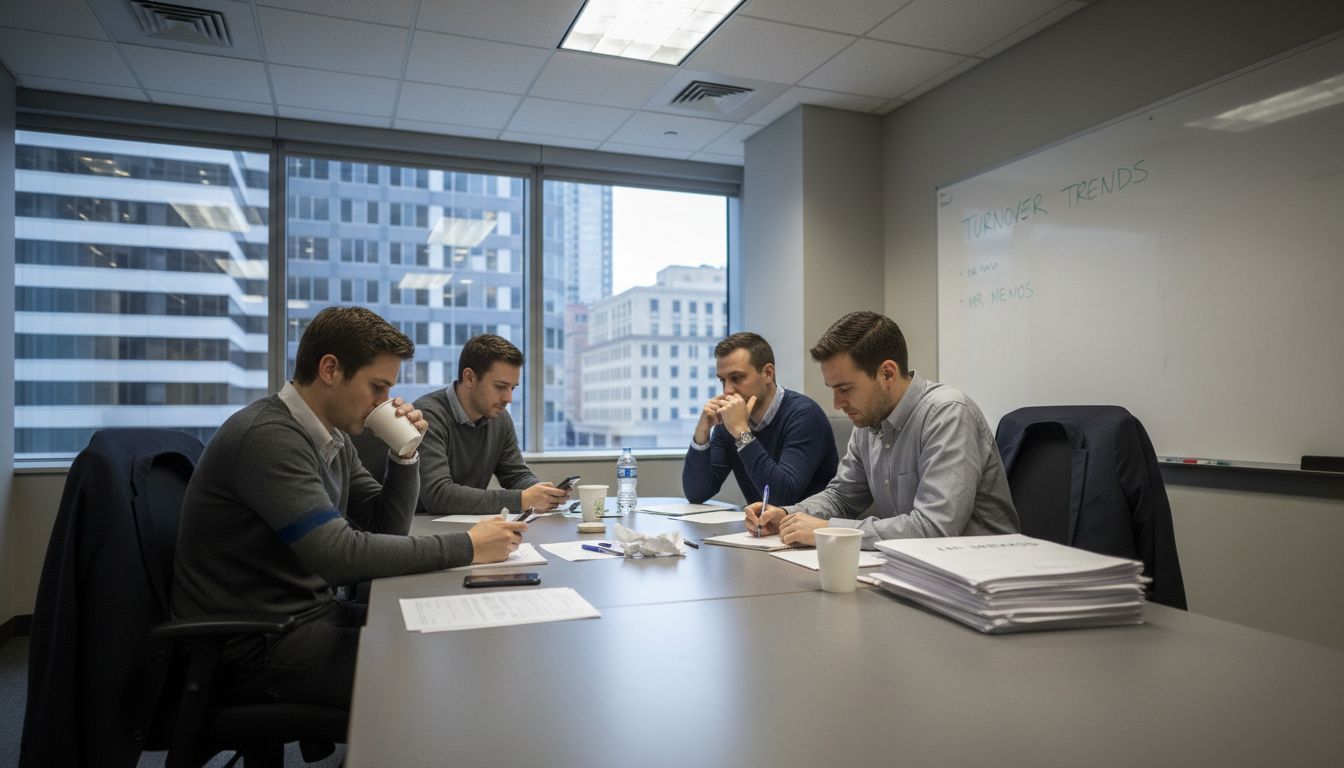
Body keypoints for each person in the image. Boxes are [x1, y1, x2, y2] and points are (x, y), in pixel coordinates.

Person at [171, 307, 526, 709]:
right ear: (330, 369)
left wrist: (406, 455)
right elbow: (339, 556)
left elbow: (385, 529)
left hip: (305, 617)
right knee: (435, 675)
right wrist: (469, 545)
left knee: (451, 635)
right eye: (377, 387)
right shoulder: (269, 438)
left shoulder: (332, 438)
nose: (384, 402)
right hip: (251, 643)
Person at [746, 311, 1018, 548]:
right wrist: (786, 515)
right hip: (920, 570)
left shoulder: (948, 413)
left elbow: (934, 529)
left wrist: (826, 531)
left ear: (887, 373)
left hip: (983, 580)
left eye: (845, 389)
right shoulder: (869, 419)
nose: (838, 404)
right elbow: (842, 498)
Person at [414, 333, 570, 516]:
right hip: (421, 529)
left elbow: (516, 475)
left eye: (513, 388)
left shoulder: (499, 418)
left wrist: (541, 492)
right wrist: (523, 499)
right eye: (500, 386)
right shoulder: (427, 416)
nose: (508, 398)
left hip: (469, 527)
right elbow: (438, 496)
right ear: (469, 378)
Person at [683, 332, 837, 506]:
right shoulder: (730, 422)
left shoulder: (805, 416)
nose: (727, 390)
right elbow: (696, 493)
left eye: (737, 378)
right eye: (722, 380)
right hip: (762, 529)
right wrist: (701, 433)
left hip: (810, 528)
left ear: (768, 373)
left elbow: (781, 497)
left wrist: (742, 434)